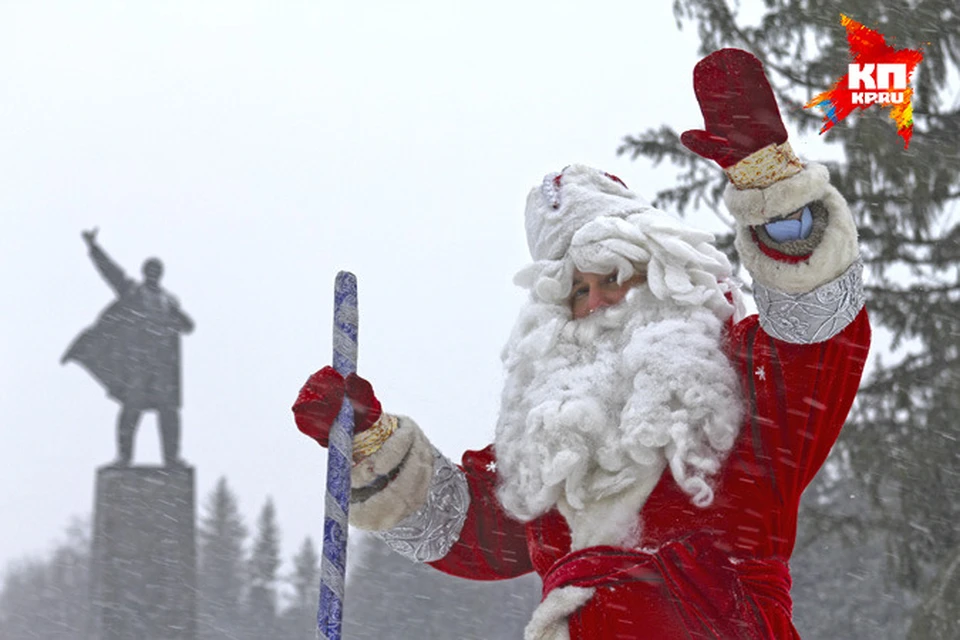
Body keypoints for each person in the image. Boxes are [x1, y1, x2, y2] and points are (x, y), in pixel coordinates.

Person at [293, 49, 870, 639]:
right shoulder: (553, 444)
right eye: (577, 292)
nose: (595, 303)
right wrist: (367, 442)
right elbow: (463, 529)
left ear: (664, 273)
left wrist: (776, 196)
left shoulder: (744, 377)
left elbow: (820, 333)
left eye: (613, 279)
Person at [63, 228, 195, 467]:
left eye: (157, 271)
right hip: (138, 363)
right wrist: (94, 248)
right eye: (150, 270)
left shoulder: (170, 301)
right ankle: (124, 457)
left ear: (161, 274)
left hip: (163, 368)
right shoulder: (133, 292)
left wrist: (180, 320)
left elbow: (188, 326)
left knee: (169, 413)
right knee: (131, 409)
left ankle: (171, 458)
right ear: (144, 273)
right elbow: (111, 273)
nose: (153, 274)